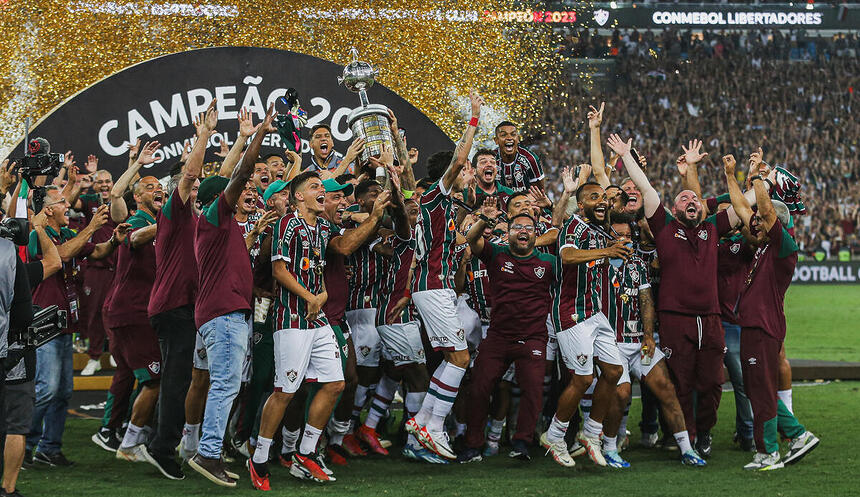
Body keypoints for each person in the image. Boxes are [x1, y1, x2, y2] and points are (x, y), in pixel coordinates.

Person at [607, 134, 754, 458]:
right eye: (683, 198)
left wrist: (765, 181)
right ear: (672, 209)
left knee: (713, 384)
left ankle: (704, 434)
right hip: (675, 319)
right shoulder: (665, 229)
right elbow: (645, 189)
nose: (691, 200)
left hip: (711, 320)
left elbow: (746, 203)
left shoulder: (713, 227)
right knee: (681, 384)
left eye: (694, 198)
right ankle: (684, 437)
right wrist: (626, 155)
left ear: (700, 207)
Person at [248, 171, 392, 489]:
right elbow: (278, 270)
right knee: (285, 392)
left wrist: (376, 216)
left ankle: (307, 452)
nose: (321, 191)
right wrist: (310, 296)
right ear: (299, 196)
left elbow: (335, 252)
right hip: (292, 319)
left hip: (318, 317)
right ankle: (258, 458)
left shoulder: (324, 226)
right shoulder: (289, 223)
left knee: (335, 384)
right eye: (314, 187)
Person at [188, 103, 274, 487]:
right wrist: (257, 136)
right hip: (224, 316)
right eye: (236, 192)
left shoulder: (226, 231)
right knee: (225, 384)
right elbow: (238, 174)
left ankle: (208, 448)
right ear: (218, 200)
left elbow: (236, 251)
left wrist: (256, 233)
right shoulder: (214, 218)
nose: (245, 192)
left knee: (219, 382)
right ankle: (208, 453)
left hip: (220, 314)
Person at [723, 154, 819, 471]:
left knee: (761, 390)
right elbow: (742, 210)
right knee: (757, 388)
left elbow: (763, 209)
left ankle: (769, 453)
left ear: (773, 223)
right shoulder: (764, 245)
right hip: (754, 325)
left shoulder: (783, 246)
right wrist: (731, 176)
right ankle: (797, 435)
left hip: (762, 326)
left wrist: (759, 179)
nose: (754, 224)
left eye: (761, 222)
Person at [404, 90, 483, 461]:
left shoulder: (446, 207)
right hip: (433, 288)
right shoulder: (438, 194)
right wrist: (473, 119)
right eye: (466, 170)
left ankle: (424, 424)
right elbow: (458, 159)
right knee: (460, 359)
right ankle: (429, 424)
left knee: (455, 359)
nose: (469, 172)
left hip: (437, 288)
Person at [26, 186, 127, 466]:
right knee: (46, 388)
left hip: (65, 322)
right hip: (45, 322)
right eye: (61, 203)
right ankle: (22, 445)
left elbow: (96, 252)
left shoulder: (68, 232)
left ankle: (49, 448)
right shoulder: (38, 234)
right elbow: (60, 257)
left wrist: (115, 241)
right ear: (48, 210)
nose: (67, 207)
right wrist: (93, 226)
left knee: (63, 391)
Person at [140, 101, 215, 480]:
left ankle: (161, 443)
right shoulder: (174, 211)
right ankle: (161, 448)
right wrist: (203, 136)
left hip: (183, 307)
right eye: (192, 186)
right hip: (173, 307)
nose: (197, 188)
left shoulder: (196, 219)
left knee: (179, 379)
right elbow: (188, 178)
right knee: (175, 381)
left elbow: (225, 177)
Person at [601, 220, 707, 468]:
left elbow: (647, 300)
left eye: (629, 234)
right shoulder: (599, 263)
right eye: (619, 234)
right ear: (608, 237)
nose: (625, 238)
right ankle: (609, 448)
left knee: (666, 387)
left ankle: (686, 448)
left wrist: (648, 335)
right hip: (610, 342)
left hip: (638, 341)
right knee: (622, 392)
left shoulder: (638, 264)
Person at [539, 179, 629, 469]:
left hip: (595, 312)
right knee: (583, 379)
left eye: (604, 197)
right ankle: (554, 436)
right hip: (571, 312)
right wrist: (608, 252)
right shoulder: (574, 226)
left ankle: (591, 433)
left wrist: (614, 246)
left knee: (614, 371)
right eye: (594, 197)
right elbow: (567, 255)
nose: (602, 201)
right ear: (581, 204)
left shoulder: (601, 230)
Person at [459, 206, 556, 463]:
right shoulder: (497, 254)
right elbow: (471, 240)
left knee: (533, 391)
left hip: (533, 337)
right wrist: (483, 220)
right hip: (499, 335)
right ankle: (472, 444)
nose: (523, 232)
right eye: (517, 228)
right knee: (479, 388)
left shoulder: (549, 263)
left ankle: (522, 442)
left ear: (536, 235)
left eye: (529, 228)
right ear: (508, 234)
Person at [2, 211, 62, 497]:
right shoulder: (14, 266)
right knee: (16, 423)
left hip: (12, 349)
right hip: (15, 351)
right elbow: (54, 261)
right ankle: (8, 488)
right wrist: (40, 229)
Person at [493, 121, 544, 193]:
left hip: (525, 202)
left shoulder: (530, 159)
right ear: (496, 140)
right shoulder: (491, 160)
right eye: (503, 135)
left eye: (513, 134)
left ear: (518, 139)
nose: (509, 138)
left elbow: (539, 193)